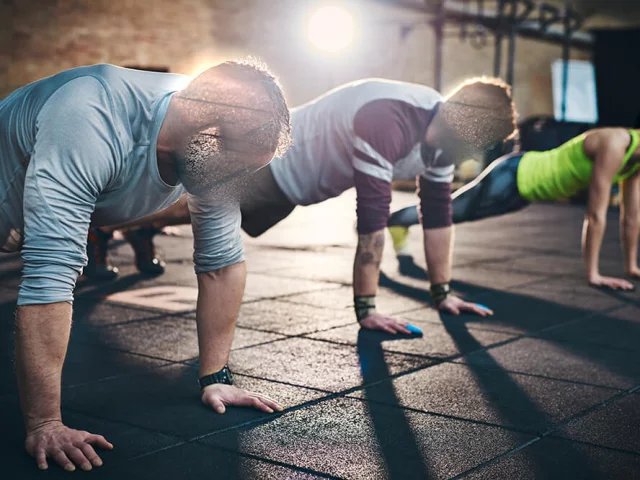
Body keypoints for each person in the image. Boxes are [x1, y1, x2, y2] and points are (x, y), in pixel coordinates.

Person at [0, 60, 291, 472]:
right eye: (238, 166)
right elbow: (50, 275)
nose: (238, 180)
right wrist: (45, 423)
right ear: (207, 136)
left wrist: (216, 379)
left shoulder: (206, 142)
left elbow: (221, 263)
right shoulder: (91, 115)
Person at [90, 77, 518, 334]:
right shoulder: (388, 118)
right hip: (273, 164)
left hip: (299, 187)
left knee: (197, 215)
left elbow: (439, 216)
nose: (463, 154)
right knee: (190, 210)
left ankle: (134, 228)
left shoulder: (447, 140)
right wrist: (366, 310)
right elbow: (371, 220)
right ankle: (101, 224)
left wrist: (443, 294)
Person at [387, 128, 640, 290]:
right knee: (449, 212)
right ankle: (392, 220)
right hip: (514, 175)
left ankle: (398, 221)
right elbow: (595, 213)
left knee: (453, 212)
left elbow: (632, 216)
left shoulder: (635, 160)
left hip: (521, 193)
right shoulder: (615, 143)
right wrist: (593, 275)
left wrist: (631, 267)